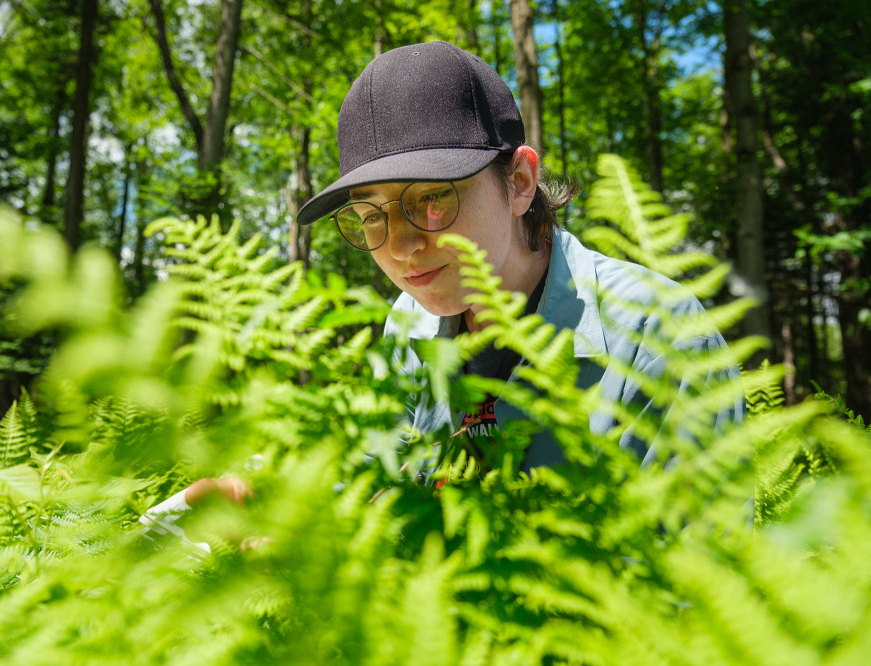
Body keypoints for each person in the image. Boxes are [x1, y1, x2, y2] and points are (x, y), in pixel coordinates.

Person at [142, 41, 744, 528]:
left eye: (432, 200)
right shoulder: (409, 322)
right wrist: (271, 496)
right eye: (370, 214)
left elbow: (699, 605)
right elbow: (381, 477)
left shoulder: (658, 334)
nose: (401, 246)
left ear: (519, 182)